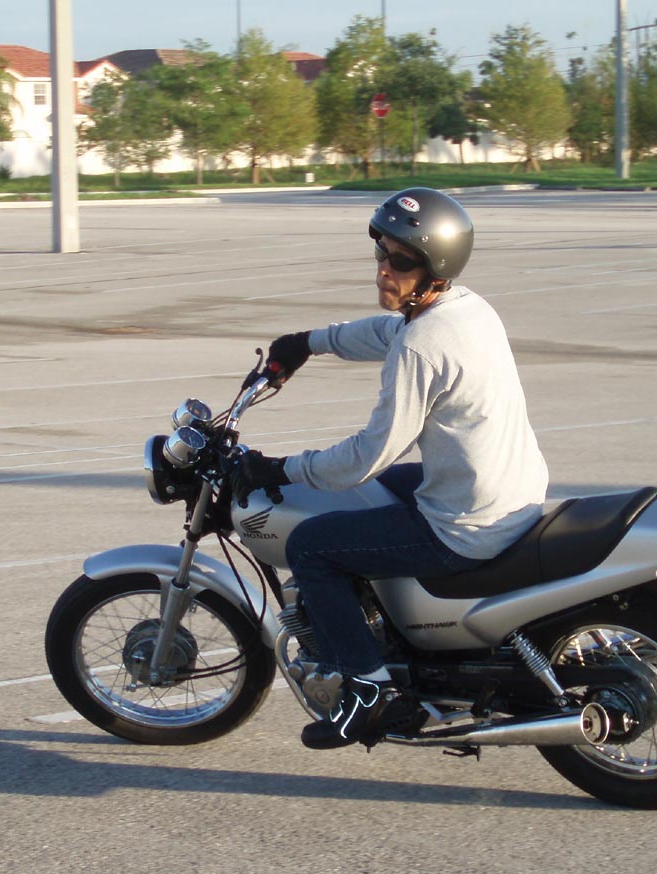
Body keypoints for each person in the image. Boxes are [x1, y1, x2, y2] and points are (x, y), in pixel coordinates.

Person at [231, 187, 549, 751]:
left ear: (434, 267)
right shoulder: (465, 308)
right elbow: (386, 332)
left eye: (401, 261)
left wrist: (278, 469)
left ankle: (368, 688)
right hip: (503, 490)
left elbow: (366, 456)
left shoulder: (424, 346)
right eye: (381, 251)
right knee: (373, 498)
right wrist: (308, 343)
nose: (384, 268)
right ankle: (390, 628)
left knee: (312, 546)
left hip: (465, 525)